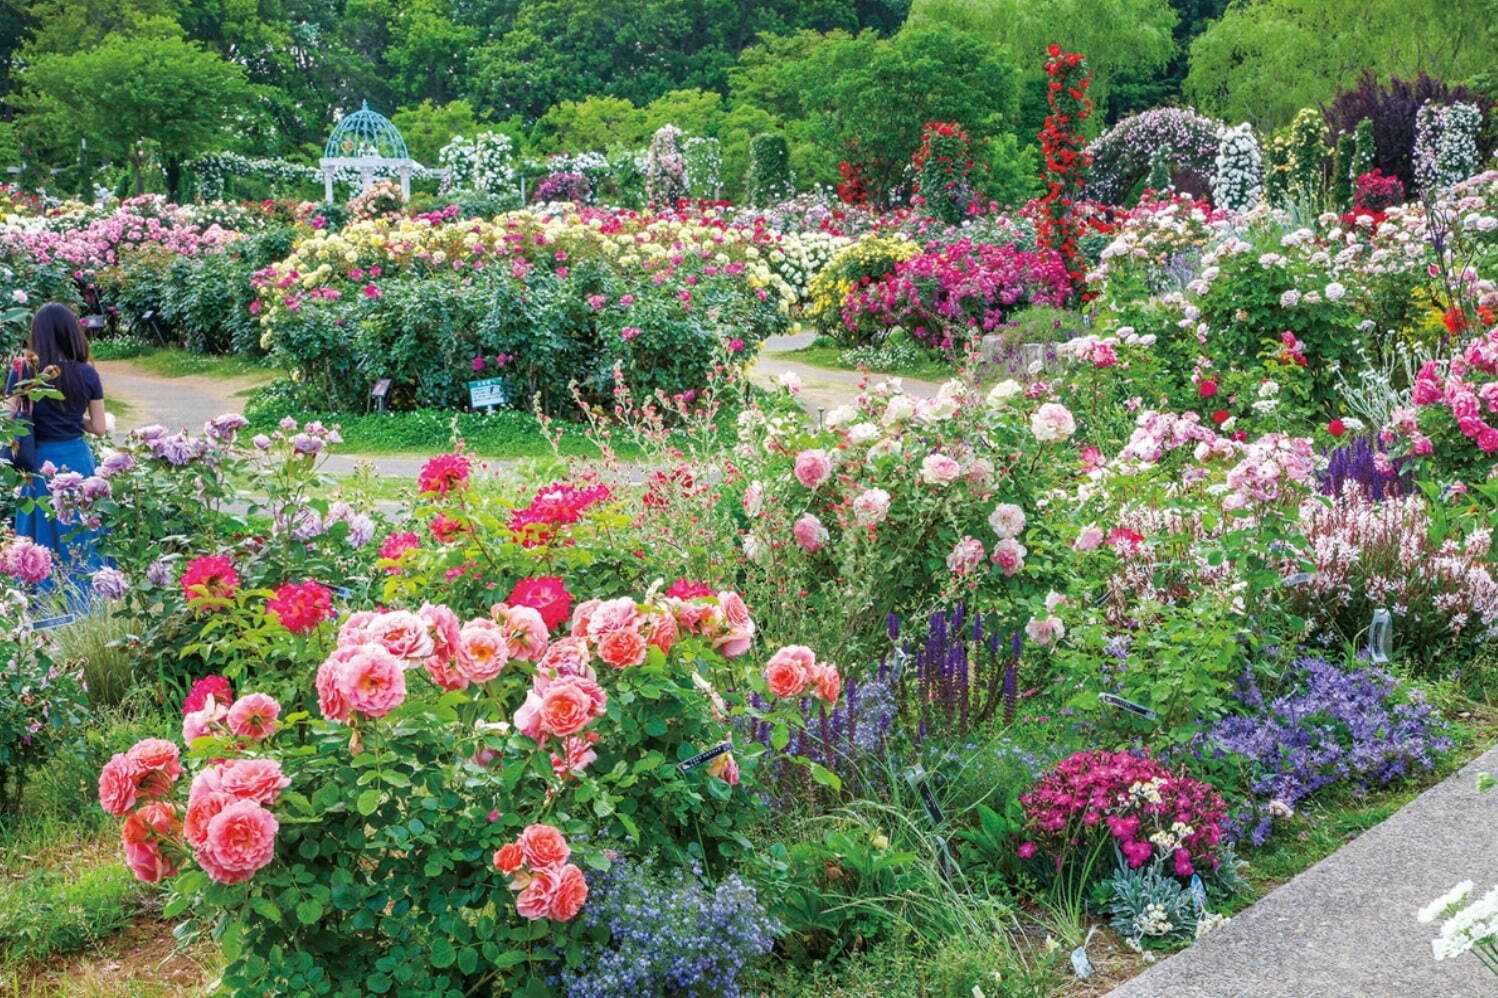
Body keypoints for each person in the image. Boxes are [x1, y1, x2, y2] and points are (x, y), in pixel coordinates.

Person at [3, 303, 109, 585]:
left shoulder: (24, 370)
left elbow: (7, 417)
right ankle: (90, 595)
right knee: (81, 526)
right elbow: (99, 428)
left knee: (40, 530)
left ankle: (40, 597)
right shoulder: (87, 374)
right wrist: (75, 420)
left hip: (38, 461)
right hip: (77, 458)